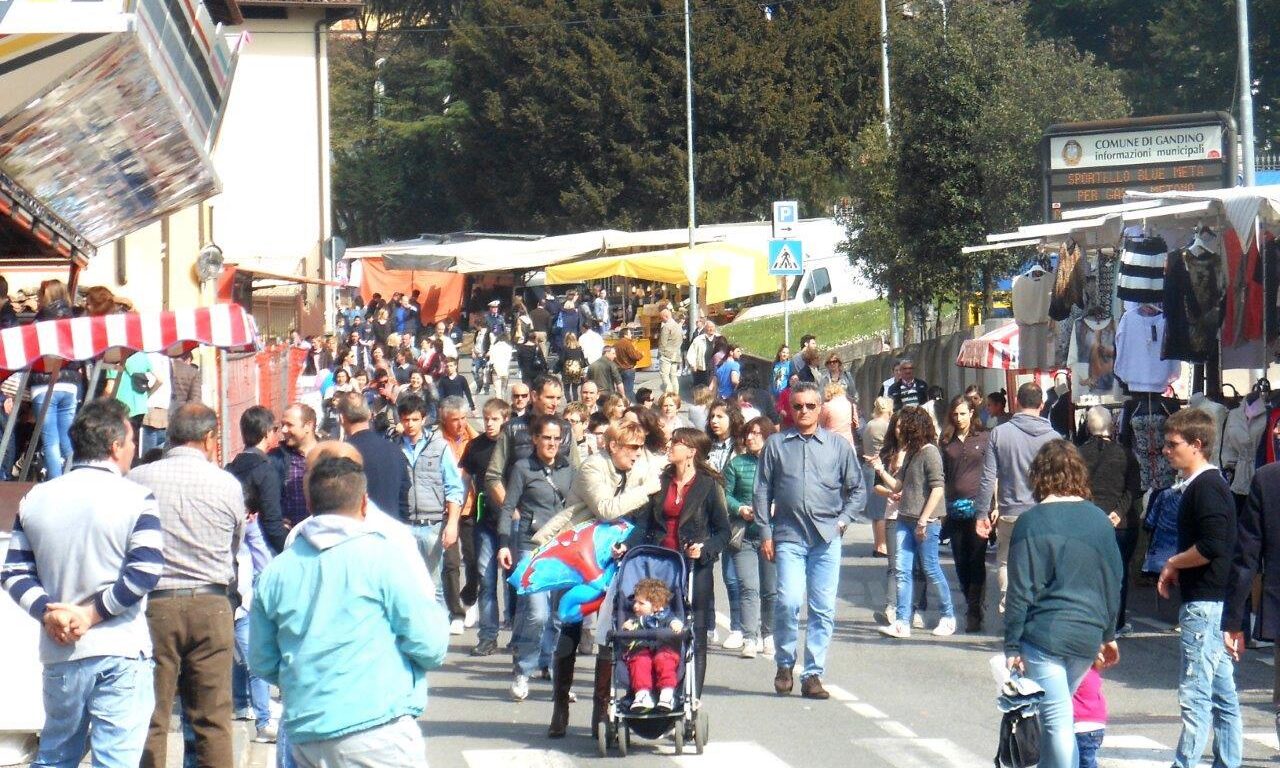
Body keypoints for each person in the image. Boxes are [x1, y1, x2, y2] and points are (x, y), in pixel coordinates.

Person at [249, 455, 448, 768]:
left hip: (307, 736)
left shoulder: (275, 572)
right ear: (364, 504)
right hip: (378, 729)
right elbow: (431, 646)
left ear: (310, 505)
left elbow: (262, 660)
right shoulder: (384, 557)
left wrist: (306, 676)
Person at [1, 398, 161, 767]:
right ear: (115, 445)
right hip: (120, 648)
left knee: (56, 756)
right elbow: (145, 572)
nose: (134, 449)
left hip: (61, 653)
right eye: (131, 440)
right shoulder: (137, 499)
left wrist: (48, 612)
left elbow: (14, 572)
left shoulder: (35, 498)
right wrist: (91, 615)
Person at [129, 404, 246, 768]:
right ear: (210, 438)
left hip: (154, 606)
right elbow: (235, 545)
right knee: (212, 719)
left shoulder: (137, 479)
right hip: (211, 605)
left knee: (151, 715)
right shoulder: (227, 484)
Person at [530, 421, 660, 739]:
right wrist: (645, 490)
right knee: (570, 624)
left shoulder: (640, 465)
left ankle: (600, 711)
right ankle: (560, 705)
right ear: (613, 446)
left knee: (611, 627)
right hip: (582, 551)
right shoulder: (592, 467)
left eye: (640, 447)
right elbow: (605, 509)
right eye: (631, 447)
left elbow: (645, 511)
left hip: (619, 553)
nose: (637, 453)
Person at [1005, 439, 1122, 768]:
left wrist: (1012, 644)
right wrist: (1108, 634)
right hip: (1086, 636)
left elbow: (1020, 589)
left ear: (1039, 476)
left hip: (1044, 635)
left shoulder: (1031, 522)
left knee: (1056, 723)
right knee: (1058, 714)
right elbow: (1113, 581)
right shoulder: (1099, 520)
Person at [755, 382, 865, 699]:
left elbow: (857, 490)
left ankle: (813, 674)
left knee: (822, 609)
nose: (804, 411)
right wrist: (765, 532)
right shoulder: (776, 445)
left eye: (810, 406)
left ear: (820, 408)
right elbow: (762, 490)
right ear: (790, 409)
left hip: (826, 538)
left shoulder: (838, 446)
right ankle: (785, 664)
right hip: (788, 535)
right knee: (788, 601)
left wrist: (843, 521)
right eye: (798, 406)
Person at [1156, 409, 1242, 768]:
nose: (1165, 450)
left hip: (1204, 604)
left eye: (1173, 444)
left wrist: (1175, 562)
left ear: (1197, 445)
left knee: (1195, 693)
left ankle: (1186, 763)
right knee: (1223, 695)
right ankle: (1227, 761)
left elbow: (1212, 545)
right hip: (1208, 602)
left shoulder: (1206, 487)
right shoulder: (1205, 486)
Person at [626, 428, 730, 699]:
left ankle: (691, 696)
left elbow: (723, 531)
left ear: (692, 451)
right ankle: (656, 687)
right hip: (661, 564)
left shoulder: (708, 486)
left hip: (694, 567)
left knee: (694, 629)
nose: (670, 447)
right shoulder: (661, 481)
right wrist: (627, 547)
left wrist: (704, 548)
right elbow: (644, 523)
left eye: (677, 443)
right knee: (654, 625)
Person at [497, 414, 577, 702]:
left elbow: (578, 504)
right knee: (537, 612)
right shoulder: (522, 468)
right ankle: (523, 669)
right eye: (547, 438)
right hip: (531, 544)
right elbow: (508, 508)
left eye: (557, 438)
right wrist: (505, 544)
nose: (552, 443)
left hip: (563, 546)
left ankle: (554, 666)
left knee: (559, 614)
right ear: (535, 439)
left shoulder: (569, 468)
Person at [873, 405, 955, 638]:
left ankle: (948, 616)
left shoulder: (930, 452)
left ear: (914, 429)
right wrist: (879, 470)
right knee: (901, 570)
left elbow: (938, 489)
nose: (899, 432)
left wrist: (923, 520)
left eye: (904, 428)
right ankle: (901, 621)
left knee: (930, 568)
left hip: (926, 522)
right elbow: (898, 485)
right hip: (904, 518)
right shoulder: (911, 452)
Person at [977, 382, 1058, 613]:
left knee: (1005, 562)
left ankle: (1008, 603)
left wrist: (982, 513)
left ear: (1015, 402)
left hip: (1010, 511)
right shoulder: (1054, 437)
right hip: (1045, 512)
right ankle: (1035, 608)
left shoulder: (999, 433)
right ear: (1042, 405)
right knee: (1040, 563)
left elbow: (988, 477)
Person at [399, 393, 466, 630]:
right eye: (406, 419)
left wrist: (452, 524)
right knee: (409, 583)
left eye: (414, 419)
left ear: (423, 419)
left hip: (432, 523)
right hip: (405, 524)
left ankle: (436, 632)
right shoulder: (396, 447)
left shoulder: (439, 447)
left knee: (434, 583)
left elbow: (454, 487)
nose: (410, 425)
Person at [1078, 405, 1141, 635]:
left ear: (1087, 426)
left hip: (1087, 522)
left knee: (1090, 573)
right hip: (1122, 525)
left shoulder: (1078, 454)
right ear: (1112, 426)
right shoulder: (1125, 454)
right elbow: (1134, 488)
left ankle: (1091, 618)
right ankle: (1117, 622)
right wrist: (1117, 513)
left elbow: (1076, 490)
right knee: (1119, 572)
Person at [723, 417, 777, 658]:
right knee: (748, 587)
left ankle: (769, 634)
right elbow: (725, 495)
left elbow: (788, 491)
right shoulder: (736, 464)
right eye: (748, 433)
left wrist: (776, 505)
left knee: (771, 589)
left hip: (773, 536)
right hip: (743, 536)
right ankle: (749, 637)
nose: (751, 437)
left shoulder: (778, 463)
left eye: (757, 433)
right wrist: (740, 509)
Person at [461, 398, 510, 657]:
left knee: (514, 581)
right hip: (484, 522)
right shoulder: (476, 446)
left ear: (505, 419)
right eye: (486, 418)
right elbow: (464, 480)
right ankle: (488, 636)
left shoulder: (512, 446)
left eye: (494, 419)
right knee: (486, 578)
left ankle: (518, 634)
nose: (489, 423)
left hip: (511, 521)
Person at [938, 395, 989, 632]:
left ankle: (974, 609)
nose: (959, 419)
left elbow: (992, 473)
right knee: (960, 559)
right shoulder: (946, 441)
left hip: (979, 507)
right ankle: (970, 597)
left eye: (963, 414)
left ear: (972, 414)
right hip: (954, 508)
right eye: (955, 414)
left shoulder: (985, 437)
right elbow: (942, 476)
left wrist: (993, 505)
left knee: (977, 558)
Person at [439, 396, 480, 632]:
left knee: (474, 560)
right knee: (451, 563)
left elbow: (485, 445)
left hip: (471, 506)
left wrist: (470, 429)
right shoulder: (436, 440)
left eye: (464, 418)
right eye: (455, 420)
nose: (461, 424)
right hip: (446, 508)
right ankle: (455, 612)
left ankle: (470, 597)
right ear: (445, 419)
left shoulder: (472, 438)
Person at [339, 392, 411, 521]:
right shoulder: (395, 450)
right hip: (391, 531)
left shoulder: (342, 454)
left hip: (357, 533)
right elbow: (404, 496)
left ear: (341, 418)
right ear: (370, 414)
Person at [226, 406, 289, 555]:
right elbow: (271, 523)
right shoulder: (266, 472)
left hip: (233, 544)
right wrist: (288, 549)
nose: (277, 433)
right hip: (260, 548)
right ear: (266, 433)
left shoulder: (229, 468)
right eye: (275, 429)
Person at [621, 578, 684, 712]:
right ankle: (642, 694)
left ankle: (667, 694)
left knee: (664, 658)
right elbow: (628, 635)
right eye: (635, 602)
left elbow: (674, 622)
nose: (635, 606)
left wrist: (676, 625)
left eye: (641, 603)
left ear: (656, 606)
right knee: (639, 659)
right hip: (644, 652)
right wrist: (627, 627)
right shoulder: (637, 621)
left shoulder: (667, 618)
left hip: (664, 652)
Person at [271, 404, 320, 529]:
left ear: (308, 426)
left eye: (289, 425)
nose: (284, 430)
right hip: (289, 540)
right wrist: (277, 519)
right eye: (283, 425)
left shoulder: (330, 455)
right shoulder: (275, 459)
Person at [861, 396, 894, 558]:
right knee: (881, 510)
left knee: (876, 511)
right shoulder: (885, 426)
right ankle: (882, 546)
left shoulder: (869, 424)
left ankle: (878, 544)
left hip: (868, 468)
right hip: (880, 469)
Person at [1073, 667, 1108, 768]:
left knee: (1081, 762)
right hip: (1097, 724)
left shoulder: (1074, 671)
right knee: (1087, 761)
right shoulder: (1092, 670)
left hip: (1081, 725)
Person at [820, 382, 855, 448]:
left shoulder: (827, 406)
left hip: (833, 443)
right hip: (848, 442)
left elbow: (820, 425)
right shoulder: (848, 404)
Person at [614, 325, 643, 401]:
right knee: (628, 391)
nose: (631, 335)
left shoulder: (615, 344)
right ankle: (630, 405)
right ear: (625, 335)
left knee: (621, 391)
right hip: (628, 370)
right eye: (630, 334)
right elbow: (634, 356)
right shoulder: (627, 343)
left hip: (618, 370)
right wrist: (641, 354)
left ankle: (622, 403)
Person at [657, 308, 683, 394]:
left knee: (664, 375)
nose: (661, 320)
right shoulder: (678, 326)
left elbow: (662, 343)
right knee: (673, 376)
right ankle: (676, 394)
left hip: (666, 354)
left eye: (661, 318)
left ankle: (670, 394)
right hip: (676, 353)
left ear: (666, 316)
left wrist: (660, 354)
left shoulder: (666, 327)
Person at [558, 332, 589, 401]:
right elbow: (583, 360)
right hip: (576, 371)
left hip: (566, 371)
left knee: (566, 388)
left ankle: (569, 402)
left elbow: (561, 360)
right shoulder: (579, 348)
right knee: (575, 388)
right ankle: (575, 402)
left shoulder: (565, 348)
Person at [489, 333, 515, 398]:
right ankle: (504, 405)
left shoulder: (494, 346)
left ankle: (498, 405)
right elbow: (509, 358)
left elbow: (491, 360)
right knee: (504, 390)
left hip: (496, 370)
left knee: (497, 391)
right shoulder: (509, 347)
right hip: (505, 370)